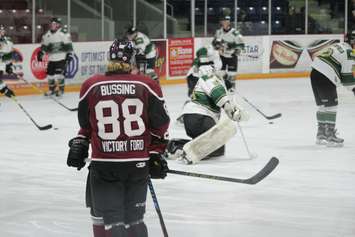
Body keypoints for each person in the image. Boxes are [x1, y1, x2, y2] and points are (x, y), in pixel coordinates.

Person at [67, 38, 170, 237]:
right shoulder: (148, 84)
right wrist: (156, 153)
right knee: (134, 220)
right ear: (132, 60)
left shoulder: (90, 85)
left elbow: (86, 125)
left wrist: (80, 142)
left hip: (105, 165)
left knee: (112, 223)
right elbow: (161, 126)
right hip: (137, 165)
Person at [166, 49, 247, 161]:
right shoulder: (210, 76)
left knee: (218, 149)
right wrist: (229, 108)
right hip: (199, 117)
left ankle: (175, 145)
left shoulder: (214, 78)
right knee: (215, 148)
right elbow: (216, 92)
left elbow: (219, 96)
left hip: (195, 118)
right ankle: (180, 150)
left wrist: (233, 111)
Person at [310, 31, 355, 147]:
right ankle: (330, 136)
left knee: (323, 106)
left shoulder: (339, 46)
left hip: (314, 73)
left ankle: (321, 134)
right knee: (331, 106)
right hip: (326, 74)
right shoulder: (349, 52)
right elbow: (347, 79)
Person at [37, 17, 74, 97]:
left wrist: (69, 54)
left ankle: (61, 90)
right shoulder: (47, 35)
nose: (53, 25)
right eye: (52, 23)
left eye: (54, 23)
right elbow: (44, 47)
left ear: (58, 25)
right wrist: (41, 53)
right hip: (51, 59)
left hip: (61, 58)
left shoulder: (63, 33)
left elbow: (69, 45)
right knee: (50, 75)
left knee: (59, 75)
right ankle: (52, 89)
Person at [213, 15, 245, 92]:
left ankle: (231, 90)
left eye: (226, 21)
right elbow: (214, 43)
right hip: (222, 57)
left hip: (231, 57)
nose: (224, 22)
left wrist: (234, 50)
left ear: (229, 22)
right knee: (220, 74)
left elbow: (241, 45)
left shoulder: (235, 33)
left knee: (232, 75)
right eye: (223, 21)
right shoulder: (219, 32)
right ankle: (222, 89)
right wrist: (218, 46)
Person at [0, 25, 15, 98]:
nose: (2, 31)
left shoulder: (7, 41)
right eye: (0, 30)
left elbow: (8, 55)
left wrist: (9, 66)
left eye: (2, 29)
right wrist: (5, 89)